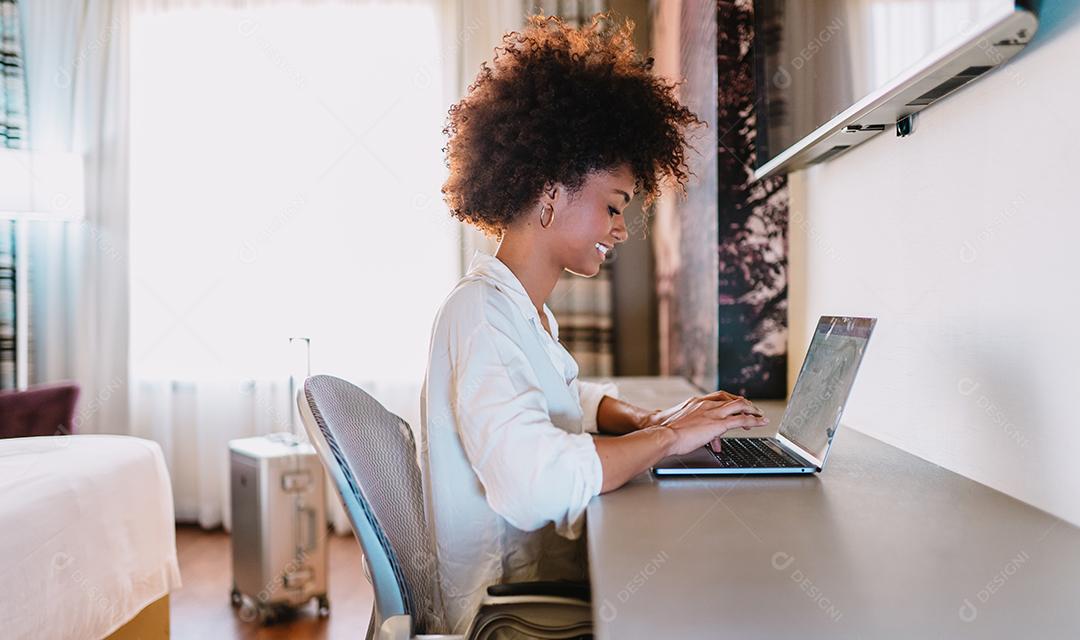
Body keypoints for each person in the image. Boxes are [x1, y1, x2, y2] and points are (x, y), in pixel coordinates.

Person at [419, 12, 768, 634]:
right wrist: (668, 439)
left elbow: (558, 398)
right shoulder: (480, 314)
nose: (619, 229)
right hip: (507, 612)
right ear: (551, 189)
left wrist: (641, 419)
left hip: (533, 583)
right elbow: (532, 483)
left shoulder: (520, 313)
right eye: (613, 206)